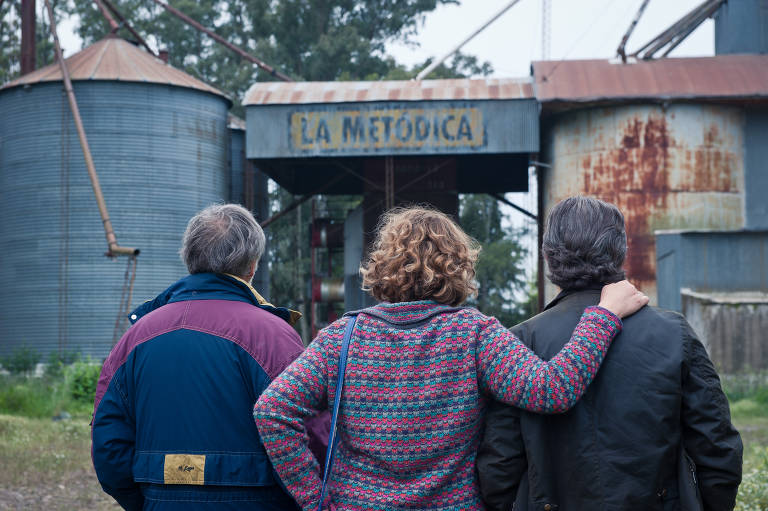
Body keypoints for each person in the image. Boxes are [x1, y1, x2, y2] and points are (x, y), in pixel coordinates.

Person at [253, 206, 647, 511]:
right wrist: (604, 315)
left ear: (382, 264)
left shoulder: (342, 337)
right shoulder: (474, 334)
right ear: (458, 265)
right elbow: (551, 390)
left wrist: (315, 499)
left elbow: (272, 411)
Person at [477, 196, 743, 511]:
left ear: (548, 256)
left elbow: (499, 464)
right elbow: (717, 448)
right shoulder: (675, 333)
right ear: (620, 252)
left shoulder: (518, 342)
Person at [91, 204, 328, 510]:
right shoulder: (273, 336)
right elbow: (312, 439)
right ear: (252, 266)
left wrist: (147, 500)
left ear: (190, 259)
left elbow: (109, 446)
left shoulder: (136, 338)